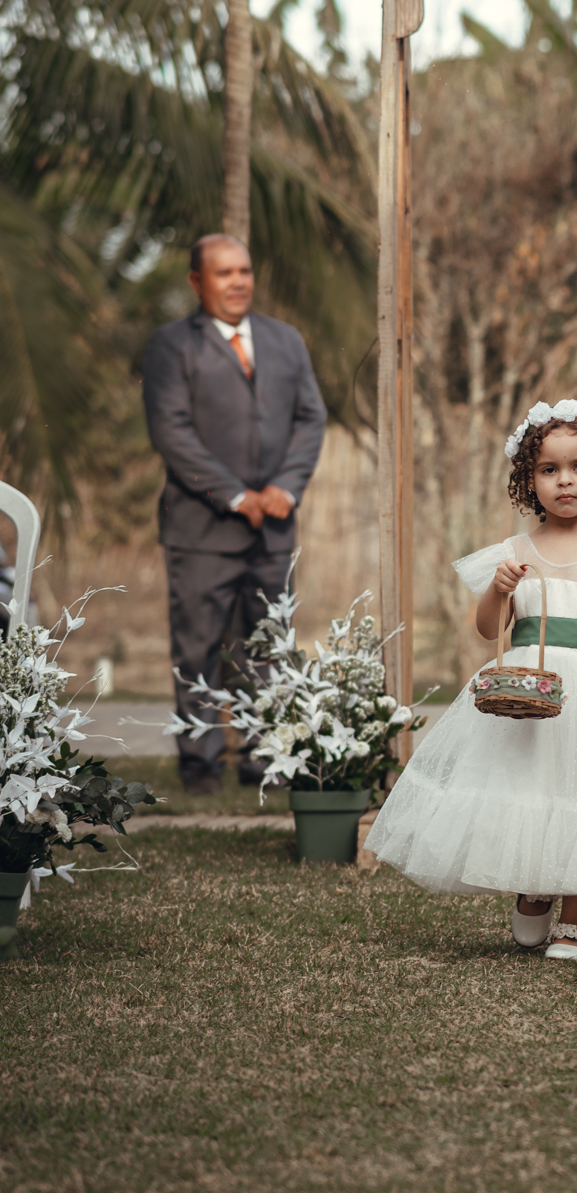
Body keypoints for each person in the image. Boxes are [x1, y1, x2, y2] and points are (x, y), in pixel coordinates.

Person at [364, 397, 577, 962]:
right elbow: (488, 629)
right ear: (528, 480)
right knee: (528, 786)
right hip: (526, 693)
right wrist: (498, 589)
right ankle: (534, 884)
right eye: (548, 469)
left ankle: (573, 920)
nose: (564, 480)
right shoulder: (515, 553)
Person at [141, 234, 327, 793]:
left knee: (269, 646)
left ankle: (264, 759)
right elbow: (171, 431)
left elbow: (310, 418)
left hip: (274, 528)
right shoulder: (172, 344)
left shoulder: (285, 339)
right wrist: (238, 496)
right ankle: (199, 768)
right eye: (224, 273)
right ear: (197, 282)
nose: (238, 281)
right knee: (197, 649)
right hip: (201, 529)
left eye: (244, 270)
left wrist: (285, 488)